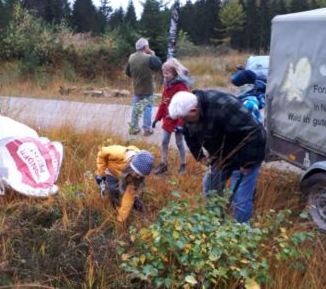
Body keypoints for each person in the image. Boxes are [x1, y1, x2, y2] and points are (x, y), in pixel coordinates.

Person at [168, 90, 266, 223]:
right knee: (210, 187)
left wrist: (247, 164)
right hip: (221, 156)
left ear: (193, 110)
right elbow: (189, 136)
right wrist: (200, 156)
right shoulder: (188, 116)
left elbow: (256, 132)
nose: (183, 122)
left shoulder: (224, 106)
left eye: (185, 118)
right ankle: (215, 222)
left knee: (239, 200)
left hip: (246, 155)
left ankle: (241, 233)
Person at [95, 145, 155, 222]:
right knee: (112, 190)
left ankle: (140, 212)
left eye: (141, 176)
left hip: (126, 175)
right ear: (131, 167)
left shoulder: (135, 177)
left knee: (131, 194)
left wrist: (121, 218)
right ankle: (115, 207)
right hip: (112, 172)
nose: (138, 178)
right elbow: (101, 154)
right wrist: (101, 173)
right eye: (137, 174)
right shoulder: (117, 153)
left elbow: (128, 196)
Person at [152, 58, 191, 175]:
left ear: (174, 73)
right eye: (163, 73)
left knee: (179, 142)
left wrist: (180, 124)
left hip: (179, 119)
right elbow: (163, 102)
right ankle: (164, 164)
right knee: (164, 141)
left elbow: (184, 107)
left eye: (167, 73)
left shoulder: (181, 87)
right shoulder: (166, 85)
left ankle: (183, 164)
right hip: (168, 119)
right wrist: (157, 118)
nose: (165, 75)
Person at [125, 38, 162, 136]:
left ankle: (134, 128)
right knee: (147, 108)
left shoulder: (131, 57)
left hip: (137, 87)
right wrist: (153, 54)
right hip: (148, 88)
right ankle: (147, 129)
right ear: (145, 47)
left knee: (136, 108)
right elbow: (158, 65)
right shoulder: (148, 57)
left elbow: (127, 72)